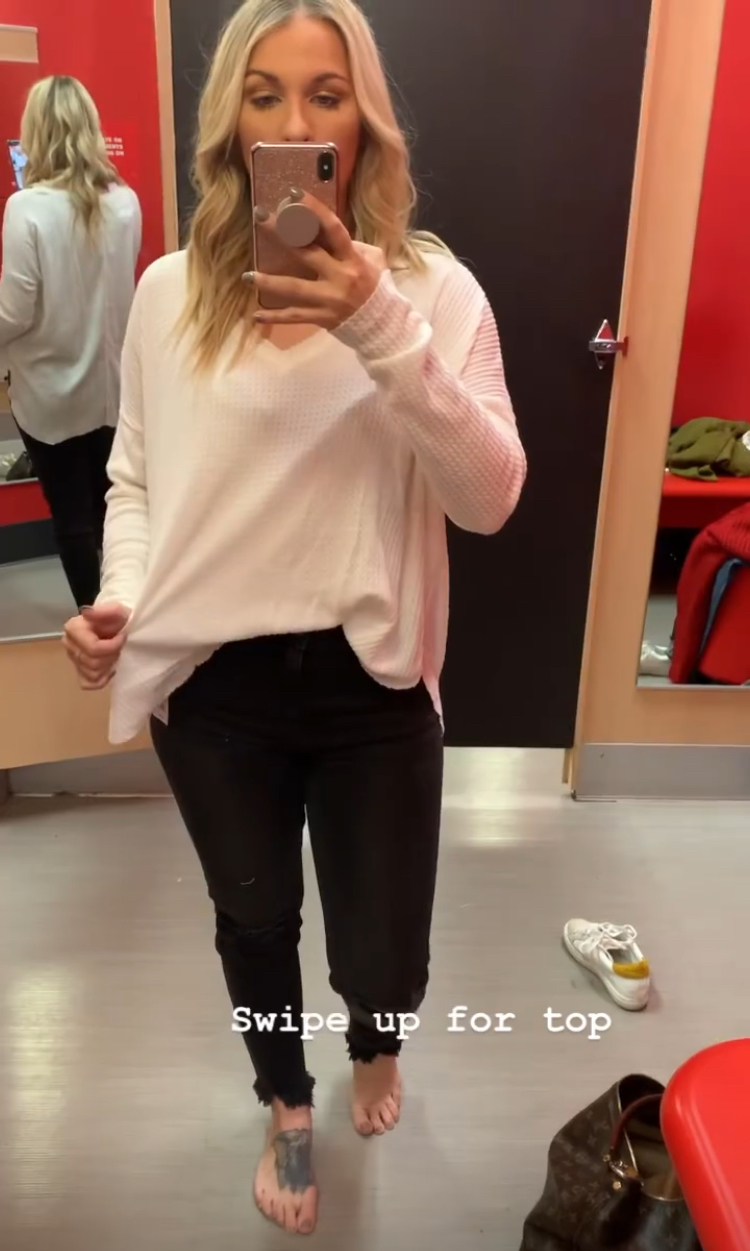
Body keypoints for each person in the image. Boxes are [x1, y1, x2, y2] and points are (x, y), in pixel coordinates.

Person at [64, 0, 526, 1236]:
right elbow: (136, 483)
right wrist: (119, 599)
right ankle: (284, 1095)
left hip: (372, 683)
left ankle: (375, 1039)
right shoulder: (168, 294)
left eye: (325, 95)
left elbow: (490, 497)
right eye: (264, 94)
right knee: (254, 919)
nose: (294, 120)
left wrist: (373, 321)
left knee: (384, 949)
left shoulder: (433, 290)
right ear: (231, 125)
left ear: (364, 123)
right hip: (212, 688)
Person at [0, 76, 141, 610]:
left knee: (71, 517)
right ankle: (124, 608)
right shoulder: (125, 201)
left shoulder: (27, 208)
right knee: (112, 509)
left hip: (49, 394)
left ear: (36, 132)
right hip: (111, 389)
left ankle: (95, 616)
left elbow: (14, 312)